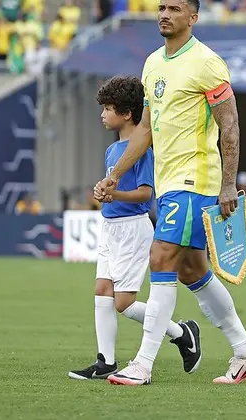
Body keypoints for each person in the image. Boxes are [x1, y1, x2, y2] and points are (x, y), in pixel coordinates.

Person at [94, 0, 246, 386]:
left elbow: (230, 125)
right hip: (168, 180)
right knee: (192, 270)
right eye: (161, 7)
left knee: (162, 256)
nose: (165, 14)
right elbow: (146, 131)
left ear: (193, 17)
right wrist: (115, 174)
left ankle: (143, 363)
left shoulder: (207, 63)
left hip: (196, 177)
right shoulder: (153, 64)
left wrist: (228, 184)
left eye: (174, 8)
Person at [69, 76, 201, 380]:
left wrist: (115, 194)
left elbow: (145, 194)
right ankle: (106, 361)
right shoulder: (112, 150)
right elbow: (114, 189)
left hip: (133, 229)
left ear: (127, 114)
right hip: (110, 227)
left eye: (107, 108)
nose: (102, 114)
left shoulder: (141, 150)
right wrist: (102, 193)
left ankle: (181, 333)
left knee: (124, 303)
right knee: (102, 290)